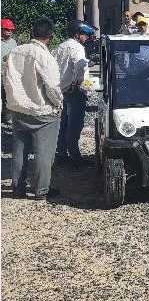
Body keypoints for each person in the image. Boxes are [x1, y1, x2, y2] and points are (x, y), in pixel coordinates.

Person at [3, 16, 64, 200]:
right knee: (43, 152)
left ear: (32, 32)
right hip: (42, 111)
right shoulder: (45, 57)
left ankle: (18, 189)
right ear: (50, 36)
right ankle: (41, 190)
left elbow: (7, 78)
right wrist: (58, 103)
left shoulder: (15, 51)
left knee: (19, 150)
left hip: (18, 108)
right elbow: (52, 86)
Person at [53, 20, 96, 166]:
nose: (87, 37)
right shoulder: (77, 48)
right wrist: (74, 84)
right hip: (74, 91)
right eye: (85, 34)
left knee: (62, 124)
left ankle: (61, 153)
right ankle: (75, 157)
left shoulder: (60, 47)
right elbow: (79, 66)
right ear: (77, 34)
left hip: (61, 91)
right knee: (75, 125)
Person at [2, 18, 18, 124]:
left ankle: (6, 117)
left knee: (7, 96)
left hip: (8, 73)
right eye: (7, 29)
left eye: (11, 30)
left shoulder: (13, 42)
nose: (10, 31)